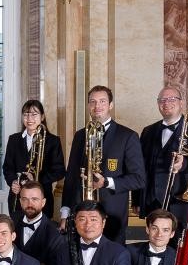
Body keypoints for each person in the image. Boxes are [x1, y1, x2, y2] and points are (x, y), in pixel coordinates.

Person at [60, 85, 146, 242]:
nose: (97, 106)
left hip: (112, 215)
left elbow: (139, 179)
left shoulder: (127, 136)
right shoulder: (80, 135)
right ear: (88, 106)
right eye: (92, 102)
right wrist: (65, 213)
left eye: (102, 101)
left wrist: (107, 182)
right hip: (81, 214)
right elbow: (71, 176)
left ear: (111, 105)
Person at [136, 85, 188, 238]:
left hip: (184, 205)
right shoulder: (148, 131)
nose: (166, 103)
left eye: (171, 99)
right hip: (154, 204)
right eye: (162, 100)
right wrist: (136, 199)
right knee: (157, 252)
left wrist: (185, 164)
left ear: (181, 103)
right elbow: (140, 167)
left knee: (186, 255)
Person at [2, 99, 66, 221]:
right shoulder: (14, 139)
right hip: (18, 199)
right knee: (19, 235)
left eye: (34, 114)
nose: (29, 118)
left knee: (41, 237)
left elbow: (59, 171)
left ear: (42, 117)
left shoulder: (53, 141)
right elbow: (7, 167)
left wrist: (37, 179)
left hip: (42, 199)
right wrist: (13, 182)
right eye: (25, 114)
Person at [15, 181, 70, 265]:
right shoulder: (12, 222)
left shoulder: (55, 235)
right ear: (20, 202)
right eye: (25, 199)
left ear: (43, 202)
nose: (29, 204)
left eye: (34, 199)